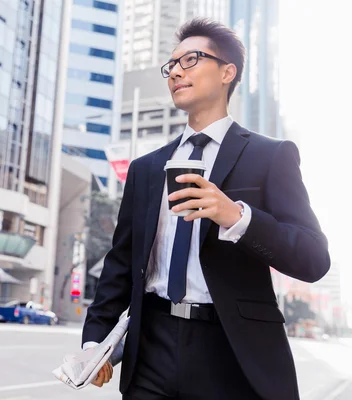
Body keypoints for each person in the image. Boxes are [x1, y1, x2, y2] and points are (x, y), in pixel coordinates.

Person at [82, 18, 330, 400]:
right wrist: (94, 345)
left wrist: (237, 217)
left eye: (191, 60)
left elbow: (313, 259)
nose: (176, 72)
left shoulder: (270, 156)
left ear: (227, 72)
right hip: (151, 348)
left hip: (232, 351)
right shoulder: (147, 168)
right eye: (171, 65)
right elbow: (120, 264)